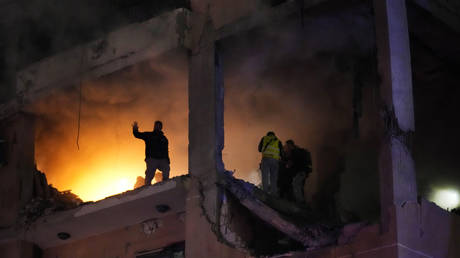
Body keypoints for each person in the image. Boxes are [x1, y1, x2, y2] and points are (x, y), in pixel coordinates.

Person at [132, 120, 170, 185]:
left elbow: (166, 150)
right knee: (150, 172)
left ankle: (165, 182)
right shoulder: (149, 135)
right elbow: (138, 135)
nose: (158, 127)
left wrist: (167, 159)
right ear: (154, 127)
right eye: (156, 125)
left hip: (162, 159)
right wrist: (135, 129)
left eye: (159, 126)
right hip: (152, 158)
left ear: (161, 127)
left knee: (166, 168)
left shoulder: (164, 138)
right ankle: (147, 185)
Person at [258, 131, 283, 196]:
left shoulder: (264, 138)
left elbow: (259, 149)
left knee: (265, 176)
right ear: (274, 135)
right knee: (274, 177)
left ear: (267, 135)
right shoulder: (278, 141)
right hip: (275, 160)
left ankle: (265, 192)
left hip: (266, 159)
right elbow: (282, 153)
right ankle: (273, 193)